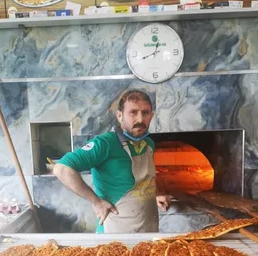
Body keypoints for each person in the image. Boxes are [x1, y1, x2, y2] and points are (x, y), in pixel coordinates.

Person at [53, 90, 171, 233]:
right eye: (133, 112)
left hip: (148, 230)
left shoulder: (148, 144)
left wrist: (156, 194)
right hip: (115, 234)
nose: (140, 119)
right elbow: (62, 169)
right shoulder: (105, 143)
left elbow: (146, 179)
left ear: (151, 116)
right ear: (119, 116)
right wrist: (97, 202)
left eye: (145, 113)